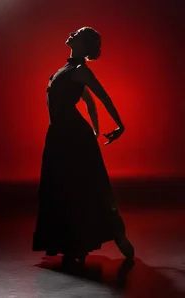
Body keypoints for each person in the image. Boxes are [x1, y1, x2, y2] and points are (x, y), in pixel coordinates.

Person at [33, 27, 135, 265]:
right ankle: (72, 243)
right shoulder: (63, 71)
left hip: (72, 137)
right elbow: (88, 101)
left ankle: (116, 236)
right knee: (62, 187)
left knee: (85, 187)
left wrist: (120, 125)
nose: (71, 33)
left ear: (83, 43)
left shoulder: (80, 70)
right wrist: (96, 128)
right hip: (60, 136)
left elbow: (102, 97)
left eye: (77, 33)